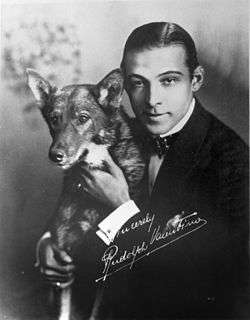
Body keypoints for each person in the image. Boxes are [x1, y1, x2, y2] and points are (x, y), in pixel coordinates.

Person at [37, 22, 249, 318]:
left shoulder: (231, 158)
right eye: (138, 82)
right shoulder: (112, 134)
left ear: (196, 79)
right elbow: (70, 207)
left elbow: (208, 280)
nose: (151, 100)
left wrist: (121, 208)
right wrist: (48, 244)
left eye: (169, 80)